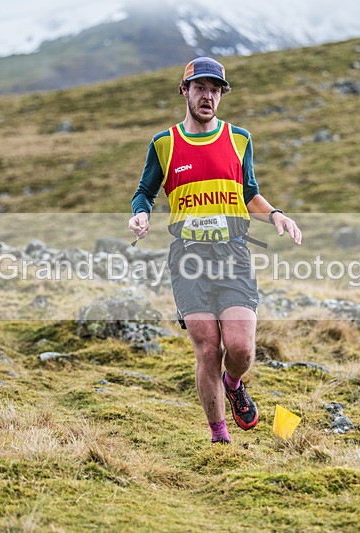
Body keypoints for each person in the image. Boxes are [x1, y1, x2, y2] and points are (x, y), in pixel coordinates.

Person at [128, 57, 302, 444]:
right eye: (200, 88)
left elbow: (249, 193)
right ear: (184, 91)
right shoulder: (164, 143)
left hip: (234, 254)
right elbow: (144, 192)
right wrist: (140, 215)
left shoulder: (239, 139)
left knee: (239, 348)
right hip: (188, 258)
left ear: (221, 95)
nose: (208, 96)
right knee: (208, 348)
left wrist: (275, 215)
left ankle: (234, 383)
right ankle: (218, 436)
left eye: (215, 90)